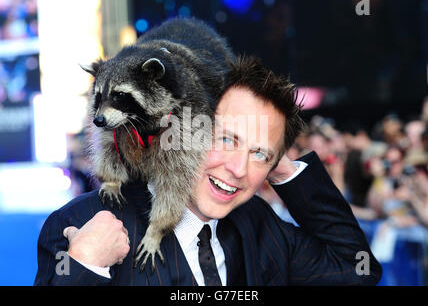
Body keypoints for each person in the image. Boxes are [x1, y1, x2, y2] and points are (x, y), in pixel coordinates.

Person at [34, 56, 382, 286]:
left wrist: (277, 163)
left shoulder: (259, 226)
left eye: (258, 155)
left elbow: (357, 269)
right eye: (226, 139)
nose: (237, 169)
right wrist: (83, 266)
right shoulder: (81, 224)